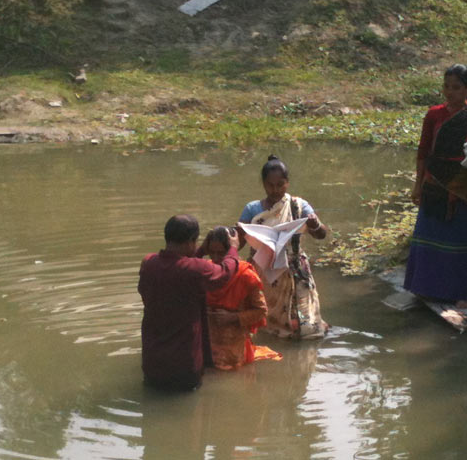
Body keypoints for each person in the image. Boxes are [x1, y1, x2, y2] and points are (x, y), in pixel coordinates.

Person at [406, 64, 467, 305]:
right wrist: (417, 186)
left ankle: (457, 293)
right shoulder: (434, 114)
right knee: (428, 237)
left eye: (456, 87)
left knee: (458, 240)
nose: (449, 92)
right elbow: (424, 152)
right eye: (446, 87)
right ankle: (423, 288)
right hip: (434, 181)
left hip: (463, 183)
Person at [139, 215, 241, 391]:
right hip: (184, 368)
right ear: (190, 242)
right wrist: (232, 249)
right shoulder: (196, 269)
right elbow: (224, 272)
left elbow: (182, 264)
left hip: (152, 365)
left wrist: (201, 249)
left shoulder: (148, 263)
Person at [239, 156, 330, 339]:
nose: (275, 190)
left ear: (287, 183)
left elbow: (321, 235)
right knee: (267, 322)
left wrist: (314, 225)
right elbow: (239, 241)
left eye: (280, 185)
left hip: (294, 269)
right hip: (263, 271)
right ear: (263, 184)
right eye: (270, 185)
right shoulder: (252, 209)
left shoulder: (298, 206)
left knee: (306, 324)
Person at [201, 226, 282, 371]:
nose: (215, 258)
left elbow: (261, 311)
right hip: (205, 343)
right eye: (211, 253)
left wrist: (232, 317)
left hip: (233, 346)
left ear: (231, 251)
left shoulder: (246, 275)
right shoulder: (205, 271)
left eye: (221, 253)